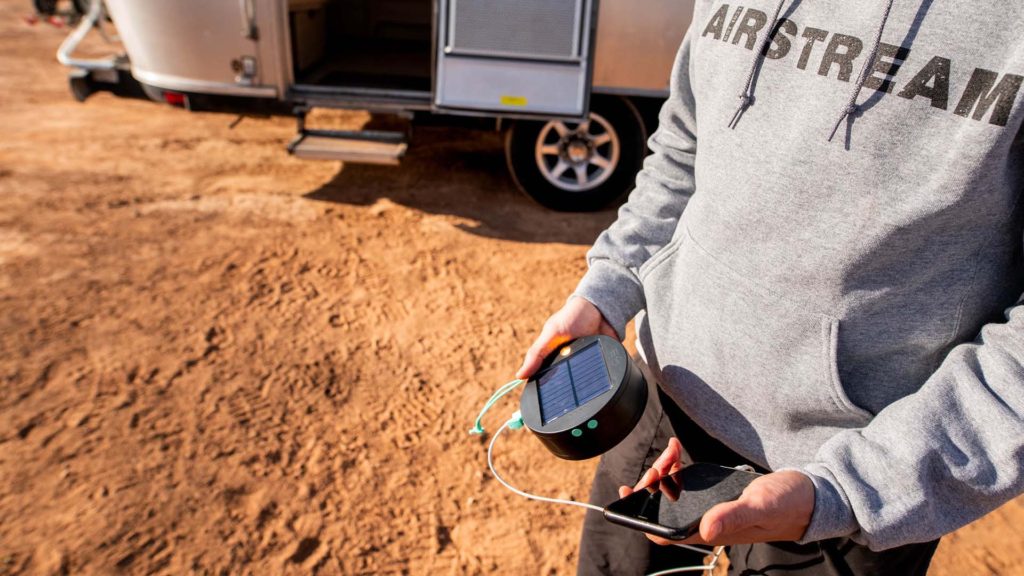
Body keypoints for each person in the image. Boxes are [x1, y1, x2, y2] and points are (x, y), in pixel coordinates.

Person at [517, 1, 1024, 574]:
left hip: (849, 476)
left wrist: (856, 489)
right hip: (663, 401)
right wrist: (609, 285)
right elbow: (684, 148)